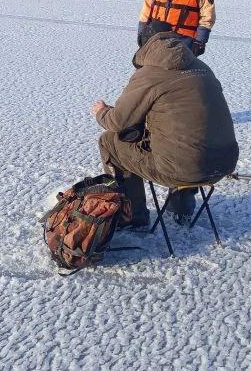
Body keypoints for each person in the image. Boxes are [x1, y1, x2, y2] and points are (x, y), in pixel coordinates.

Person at [91, 20, 239, 226]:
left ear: (144, 45)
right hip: (224, 163)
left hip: (185, 168)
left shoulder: (149, 73)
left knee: (110, 142)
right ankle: (182, 202)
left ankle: (133, 216)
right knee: (183, 139)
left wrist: (101, 112)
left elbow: (118, 121)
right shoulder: (202, 66)